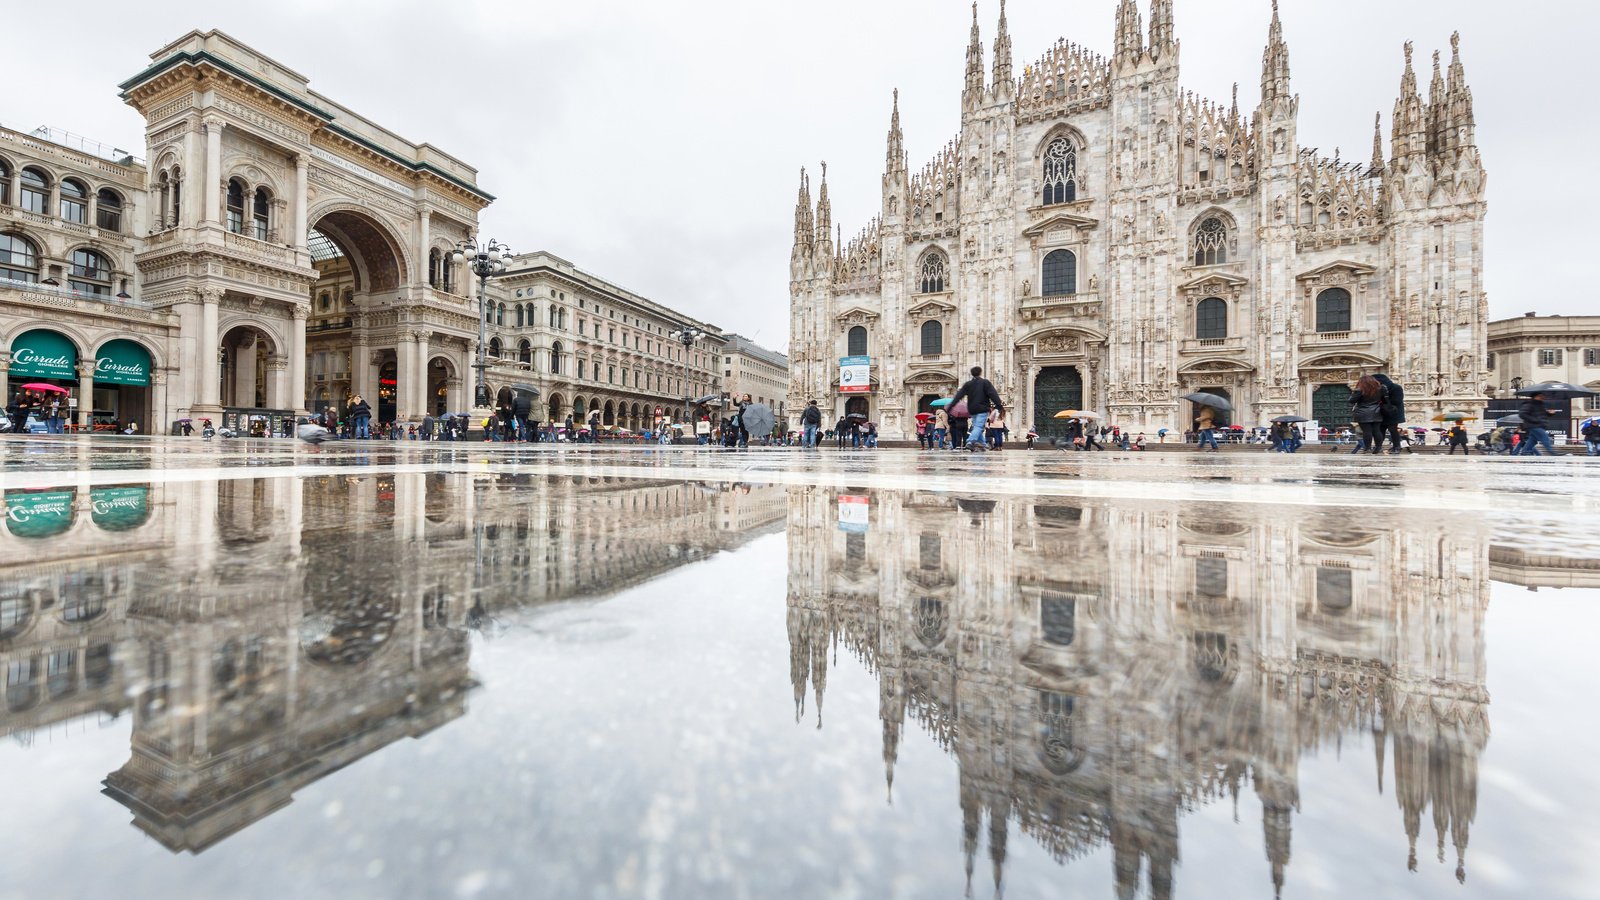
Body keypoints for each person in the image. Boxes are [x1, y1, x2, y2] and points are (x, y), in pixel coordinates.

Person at [949, 366, 1003, 453]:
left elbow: (959, 395)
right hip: (982, 408)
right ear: (980, 372)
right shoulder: (985, 382)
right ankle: (970, 441)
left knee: (978, 426)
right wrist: (999, 405)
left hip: (972, 409)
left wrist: (951, 406)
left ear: (972, 374)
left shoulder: (968, 384)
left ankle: (982, 444)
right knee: (978, 426)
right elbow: (993, 394)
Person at [1350, 375, 1387, 454]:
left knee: (1367, 431)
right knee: (1377, 430)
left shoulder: (1360, 390)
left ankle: (1367, 448)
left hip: (1363, 413)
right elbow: (1385, 399)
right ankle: (1379, 447)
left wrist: (1355, 393)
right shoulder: (1381, 388)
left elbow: (1351, 400)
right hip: (1377, 411)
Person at [1373, 373, 1407, 454]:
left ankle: (1397, 447)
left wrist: (1385, 396)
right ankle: (1378, 446)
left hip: (1393, 412)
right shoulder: (1378, 389)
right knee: (1381, 429)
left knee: (1392, 429)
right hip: (1383, 412)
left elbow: (1397, 401)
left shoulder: (1396, 387)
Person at [1516, 392, 1556, 457]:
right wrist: (1535, 420)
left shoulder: (1541, 405)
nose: (1543, 397)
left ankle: (1525, 451)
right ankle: (1552, 452)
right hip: (1533, 425)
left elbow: (1542, 415)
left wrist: (1550, 413)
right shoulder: (1529, 404)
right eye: (1541, 395)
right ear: (1536, 396)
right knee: (1544, 437)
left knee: (1532, 440)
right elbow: (1522, 414)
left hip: (1540, 424)